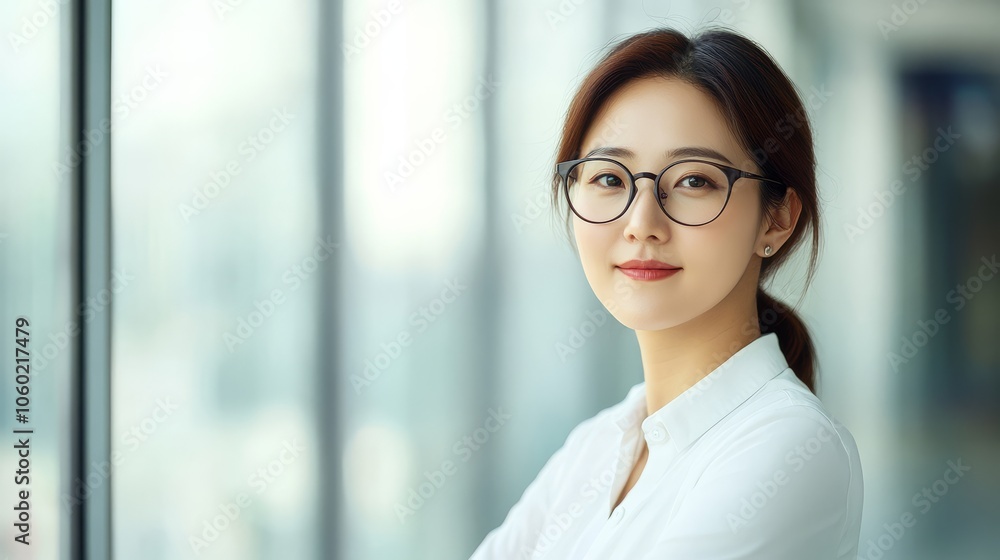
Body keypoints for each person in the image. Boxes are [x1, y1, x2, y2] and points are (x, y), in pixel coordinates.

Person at [468, 26, 864, 560]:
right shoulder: (597, 445)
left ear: (777, 219)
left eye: (694, 181)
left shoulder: (790, 448)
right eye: (609, 178)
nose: (642, 223)